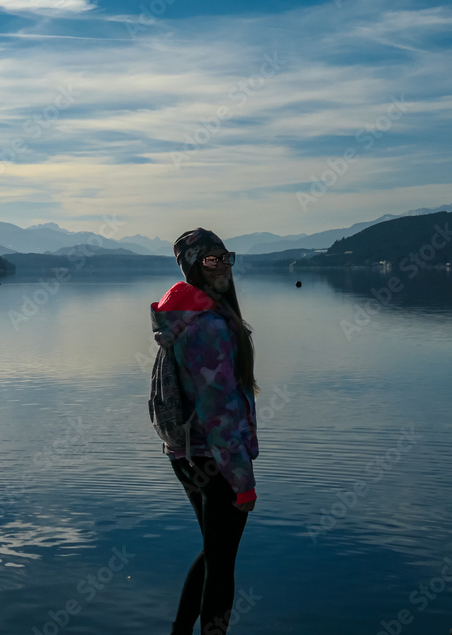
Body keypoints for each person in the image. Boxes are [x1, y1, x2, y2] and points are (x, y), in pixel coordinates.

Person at [150, 227, 259, 635]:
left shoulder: (185, 316)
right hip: (215, 458)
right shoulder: (207, 326)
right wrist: (243, 482)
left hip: (186, 453)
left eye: (226, 257)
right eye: (212, 259)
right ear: (193, 266)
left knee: (214, 552)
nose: (223, 266)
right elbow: (221, 411)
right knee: (222, 563)